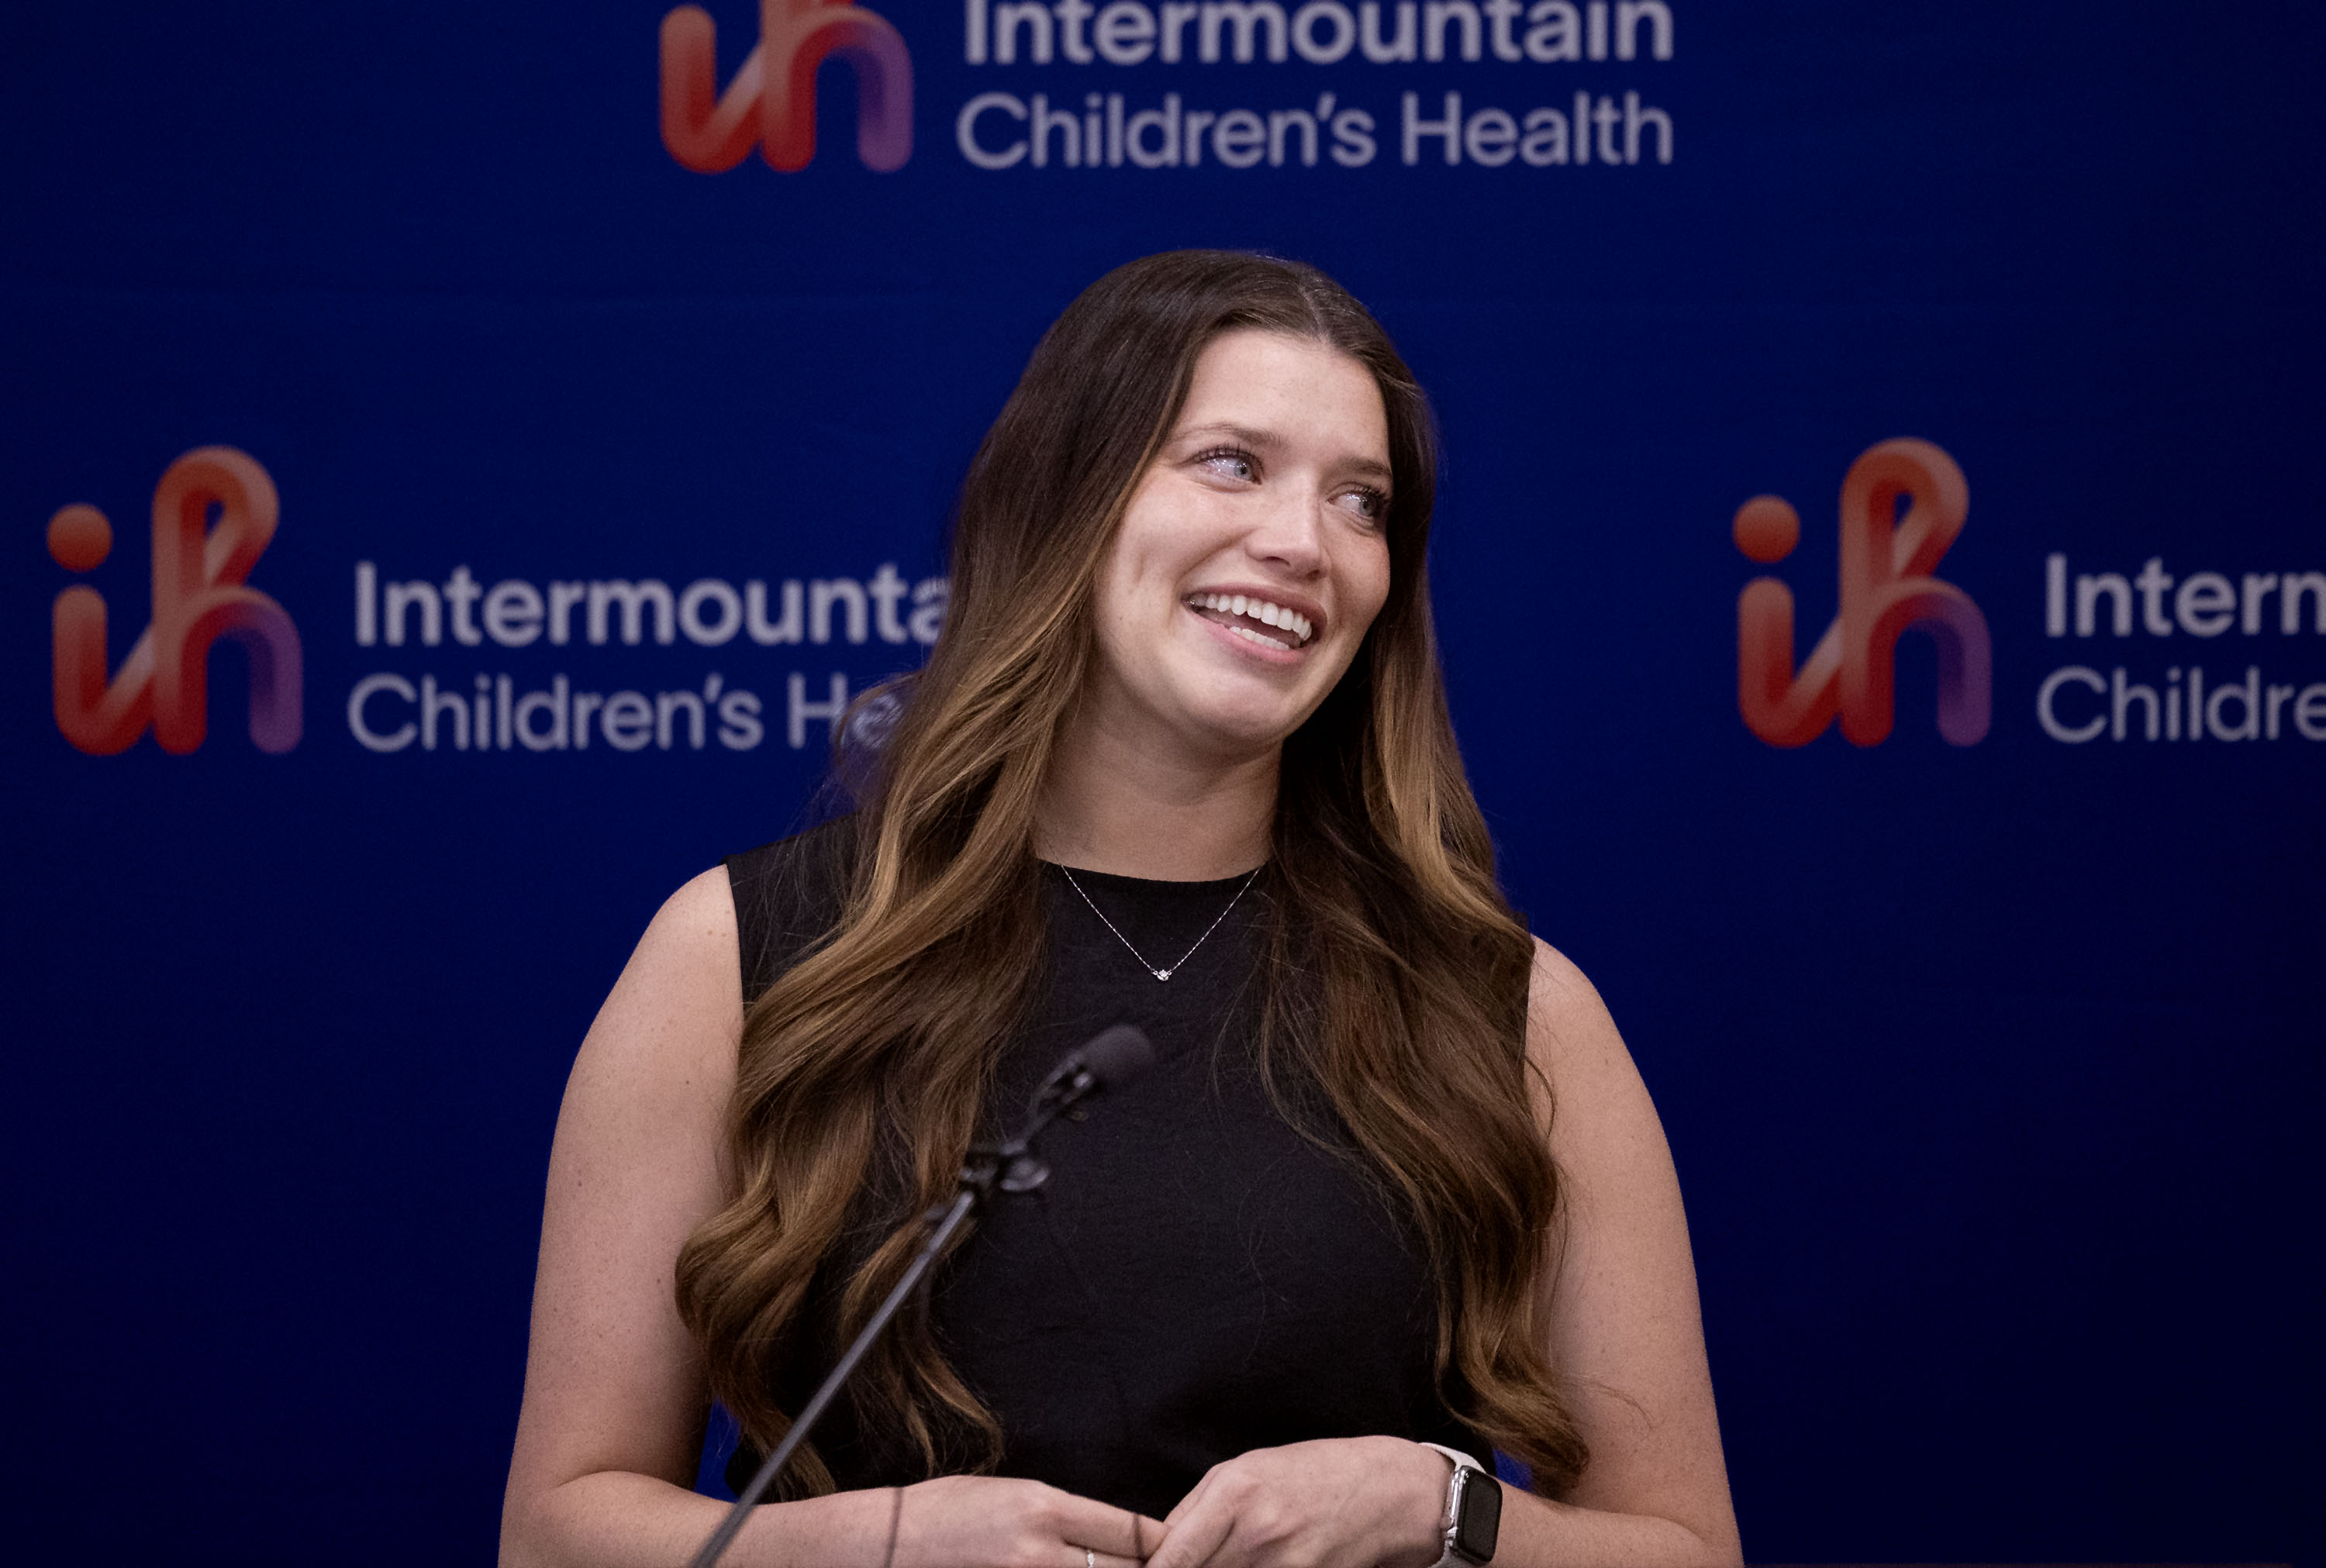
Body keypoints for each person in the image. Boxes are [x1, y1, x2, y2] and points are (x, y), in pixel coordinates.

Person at [500, 251, 1741, 1568]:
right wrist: (875, 1549)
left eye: (1362, 501)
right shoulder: (742, 956)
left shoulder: (1515, 1012)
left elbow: (1685, 1551)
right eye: (1231, 462)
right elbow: (556, 1533)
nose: (1300, 543)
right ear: (1071, 491)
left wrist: (1441, 1510)